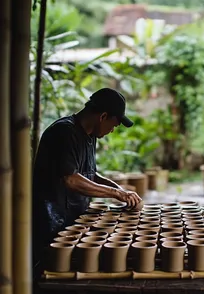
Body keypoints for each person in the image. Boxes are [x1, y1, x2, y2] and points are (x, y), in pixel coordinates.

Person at [32, 87, 142, 267]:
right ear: (103, 117)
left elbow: (89, 174)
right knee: (48, 270)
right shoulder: (64, 132)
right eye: (114, 125)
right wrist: (115, 193)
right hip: (51, 222)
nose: (113, 130)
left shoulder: (90, 135)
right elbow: (71, 179)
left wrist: (120, 191)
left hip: (72, 219)